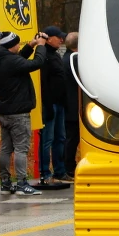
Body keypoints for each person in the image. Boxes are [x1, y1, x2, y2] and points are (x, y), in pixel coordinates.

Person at [0, 30, 49, 195]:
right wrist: (41, 47)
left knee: (6, 149)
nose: (19, 46)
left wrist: (31, 45)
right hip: (19, 114)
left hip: (4, 112)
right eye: (18, 44)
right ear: (11, 46)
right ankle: (22, 183)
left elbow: (19, 59)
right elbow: (36, 63)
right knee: (21, 148)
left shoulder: (0, 58)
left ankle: (6, 182)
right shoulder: (11, 61)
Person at [38, 25, 67, 184]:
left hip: (60, 103)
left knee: (60, 138)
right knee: (47, 139)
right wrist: (47, 105)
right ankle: (44, 172)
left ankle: (60, 170)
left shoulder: (56, 55)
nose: (61, 40)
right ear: (48, 38)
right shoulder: (44, 57)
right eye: (58, 37)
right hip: (50, 104)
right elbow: (44, 83)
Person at [60, 31, 80, 181]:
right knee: (72, 138)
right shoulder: (74, 60)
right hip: (74, 105)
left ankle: (68, 166)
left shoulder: (65, 59)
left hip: (68, 104)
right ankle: (69, 167)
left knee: (70, 137)